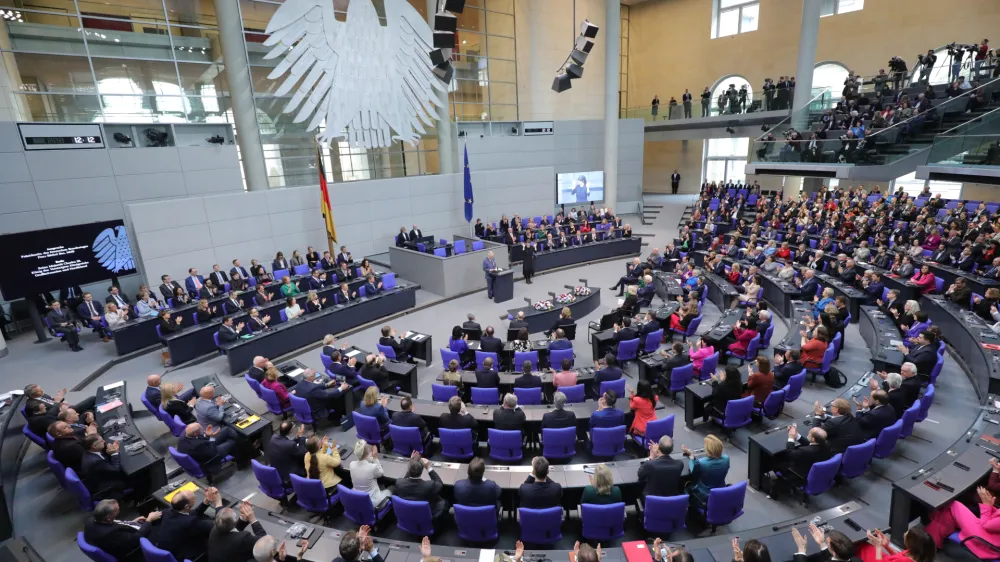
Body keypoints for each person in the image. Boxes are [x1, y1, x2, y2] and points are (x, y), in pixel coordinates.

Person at [155, 486, 223, 562]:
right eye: (193, 498)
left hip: (166, 549)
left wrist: (207, 500)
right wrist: (218, 502)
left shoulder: (168, 511)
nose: (195, 495)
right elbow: (219, 525)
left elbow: (192, 513)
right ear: (187, 506)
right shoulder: (190, 523)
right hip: (180, 556)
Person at [84, 499, 161, 561]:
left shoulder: (91, 520)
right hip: (132, 551)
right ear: (108, 518)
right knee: (159, 528)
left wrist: (132, 522)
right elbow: (137, 537)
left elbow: (116, 523)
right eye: (117, 510)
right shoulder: (111, 533)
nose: (119, 512)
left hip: (123, 538)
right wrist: (149, 520)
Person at [395, 452, 449, 522]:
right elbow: (439, 483)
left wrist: (412, 463)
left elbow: (405, 480)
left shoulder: (399, 483)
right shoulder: (429, 485)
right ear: (422, 469)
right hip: (425, 517)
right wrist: (428, 467)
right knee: (444, 503)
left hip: (408, 514)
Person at [683, 435, 730, 505]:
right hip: (721, 491)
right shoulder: (726, 459)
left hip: (705, 495)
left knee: (687, 486)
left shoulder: (701, 463)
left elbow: (693, 472)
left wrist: (691, 456)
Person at [80, 434, 128, 501]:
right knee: (136, 475)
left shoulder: (88, 453)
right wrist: (114, 453)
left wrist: (111, 451)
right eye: (102, 441)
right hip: (107, 487)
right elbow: (116, 470)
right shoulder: (96, 461)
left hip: (100, 479)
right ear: (94, 446)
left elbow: (104, 462)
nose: (104, 441)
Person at [859, 526, 936, 562]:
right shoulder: (915, 554)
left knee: (860, 547)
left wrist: (878, 547)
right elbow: (898, 556)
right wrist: (886, 545)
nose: (905, 534)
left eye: (907, 535)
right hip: (884, 559)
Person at [350, 440, 392, 506]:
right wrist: (375, 457)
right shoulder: (372, 467)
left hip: (357, 498)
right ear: (368, 451)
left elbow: (363, 460)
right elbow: (381, 473)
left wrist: (370, 457)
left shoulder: (351, 464)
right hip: (372, 502)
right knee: (392, 488)